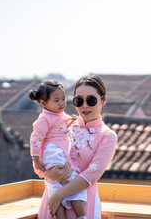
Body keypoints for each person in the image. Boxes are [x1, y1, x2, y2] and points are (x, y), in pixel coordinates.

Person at [37, 75, 118, 218]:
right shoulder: (62, 126)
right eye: (79, 101)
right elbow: (41, 157)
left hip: (83, 208)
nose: (85, 105)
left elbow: (91, 175)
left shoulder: (108, 136)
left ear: (104, 100)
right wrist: (48, 173)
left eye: (91, 100)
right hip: (52, 206)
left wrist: (59, 195)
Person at [29, 80, 87, 219]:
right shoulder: (44, 118)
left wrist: (71, 121)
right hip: (53, 152)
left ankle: (80, 216)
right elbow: (35, 139)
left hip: (61, 152)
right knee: (62, 184)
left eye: (63, 99)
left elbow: (64, 123)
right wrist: (36, 160)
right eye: (56, 100)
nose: (61, 103)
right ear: (43, 103)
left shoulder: (59, 114)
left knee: (63, 186)